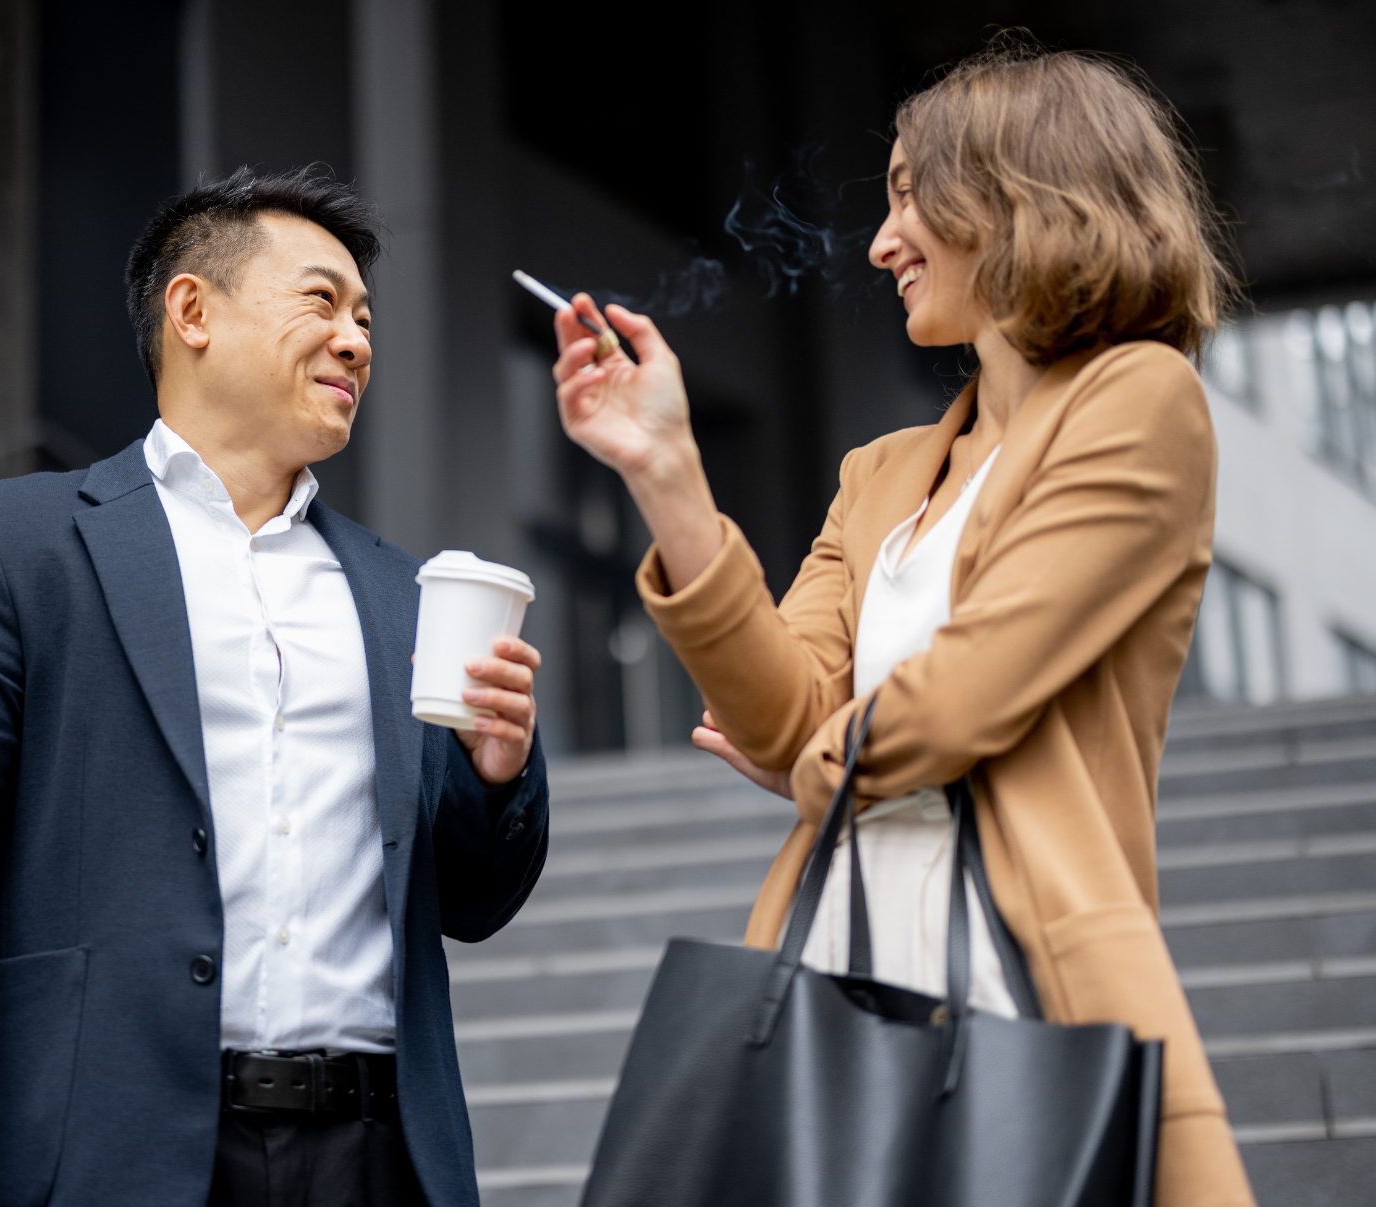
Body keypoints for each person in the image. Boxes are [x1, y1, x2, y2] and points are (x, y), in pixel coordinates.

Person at [548, 40, 1253, 1207]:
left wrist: (817, 763)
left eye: (909, 193)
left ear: (1023, 194)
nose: (881, 241)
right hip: (835, 942)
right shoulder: (878, 474)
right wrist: (667, 473)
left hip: (1026, 971)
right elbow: (779, 711)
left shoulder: (1140, 401)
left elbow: (969, 690)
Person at [0, 167, 550, 1207]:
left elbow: (468, 902)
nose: (358, 341)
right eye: (321, 301)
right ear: (192, 310)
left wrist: (495, 776)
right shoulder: (22, 543)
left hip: (380, 1162)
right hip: (108, 1147)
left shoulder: (401, 592)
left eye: (366, 318)